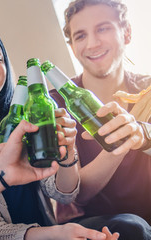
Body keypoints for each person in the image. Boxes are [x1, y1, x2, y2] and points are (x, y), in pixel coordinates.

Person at [0, 27, 119, 239]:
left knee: (129, 227)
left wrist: (67, 152)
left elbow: (64, 194)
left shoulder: (30, 119)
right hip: (46, 235)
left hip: (51, 231)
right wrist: (57, 234)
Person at [48, 0, 151, 239]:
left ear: (126, 33)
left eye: (102, 28)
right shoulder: (56, 104)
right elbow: (79, 194)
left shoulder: (147, 89)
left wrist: (142, 134)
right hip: (99, 224)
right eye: (81, 35)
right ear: (72, 46)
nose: (92, 43)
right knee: (132, 227)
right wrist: (120, 143)